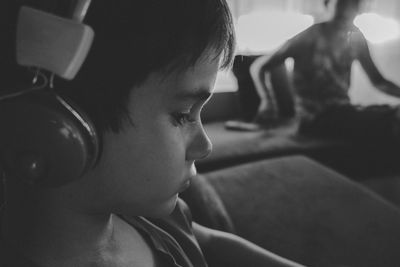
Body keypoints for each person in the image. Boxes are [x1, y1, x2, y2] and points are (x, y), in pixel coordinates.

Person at [0, 0, 306, 266]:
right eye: (182, 115)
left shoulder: (157, 219)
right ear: (57, 123)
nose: (205, 145)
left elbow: (208, 244)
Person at [250, 0, 400, 142]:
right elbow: (259, 67)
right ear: (328, 4)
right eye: (342, 4)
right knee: (389, 121)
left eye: (353, 5)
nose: (348, 10)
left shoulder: (356, 38)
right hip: (314, 118)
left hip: (343, 110)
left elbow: (379, 81)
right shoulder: (309, 36)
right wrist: (267, 101)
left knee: (393, 115)